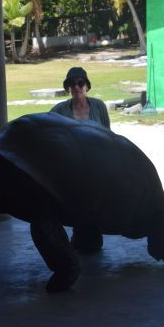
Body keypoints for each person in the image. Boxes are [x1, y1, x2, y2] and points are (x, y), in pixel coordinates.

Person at [49, 67, 109, 252]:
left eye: (80, 83)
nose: (77, 87)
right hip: (73, 165)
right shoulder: (59, 110)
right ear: (68, 87)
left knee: (96, 203)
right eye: (72, 84)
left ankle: (93, 235)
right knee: (77, 202)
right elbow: (47, 127)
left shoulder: (99, 106)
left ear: (87, 86)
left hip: (96, 163)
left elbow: (108, 133)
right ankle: (79, 235)